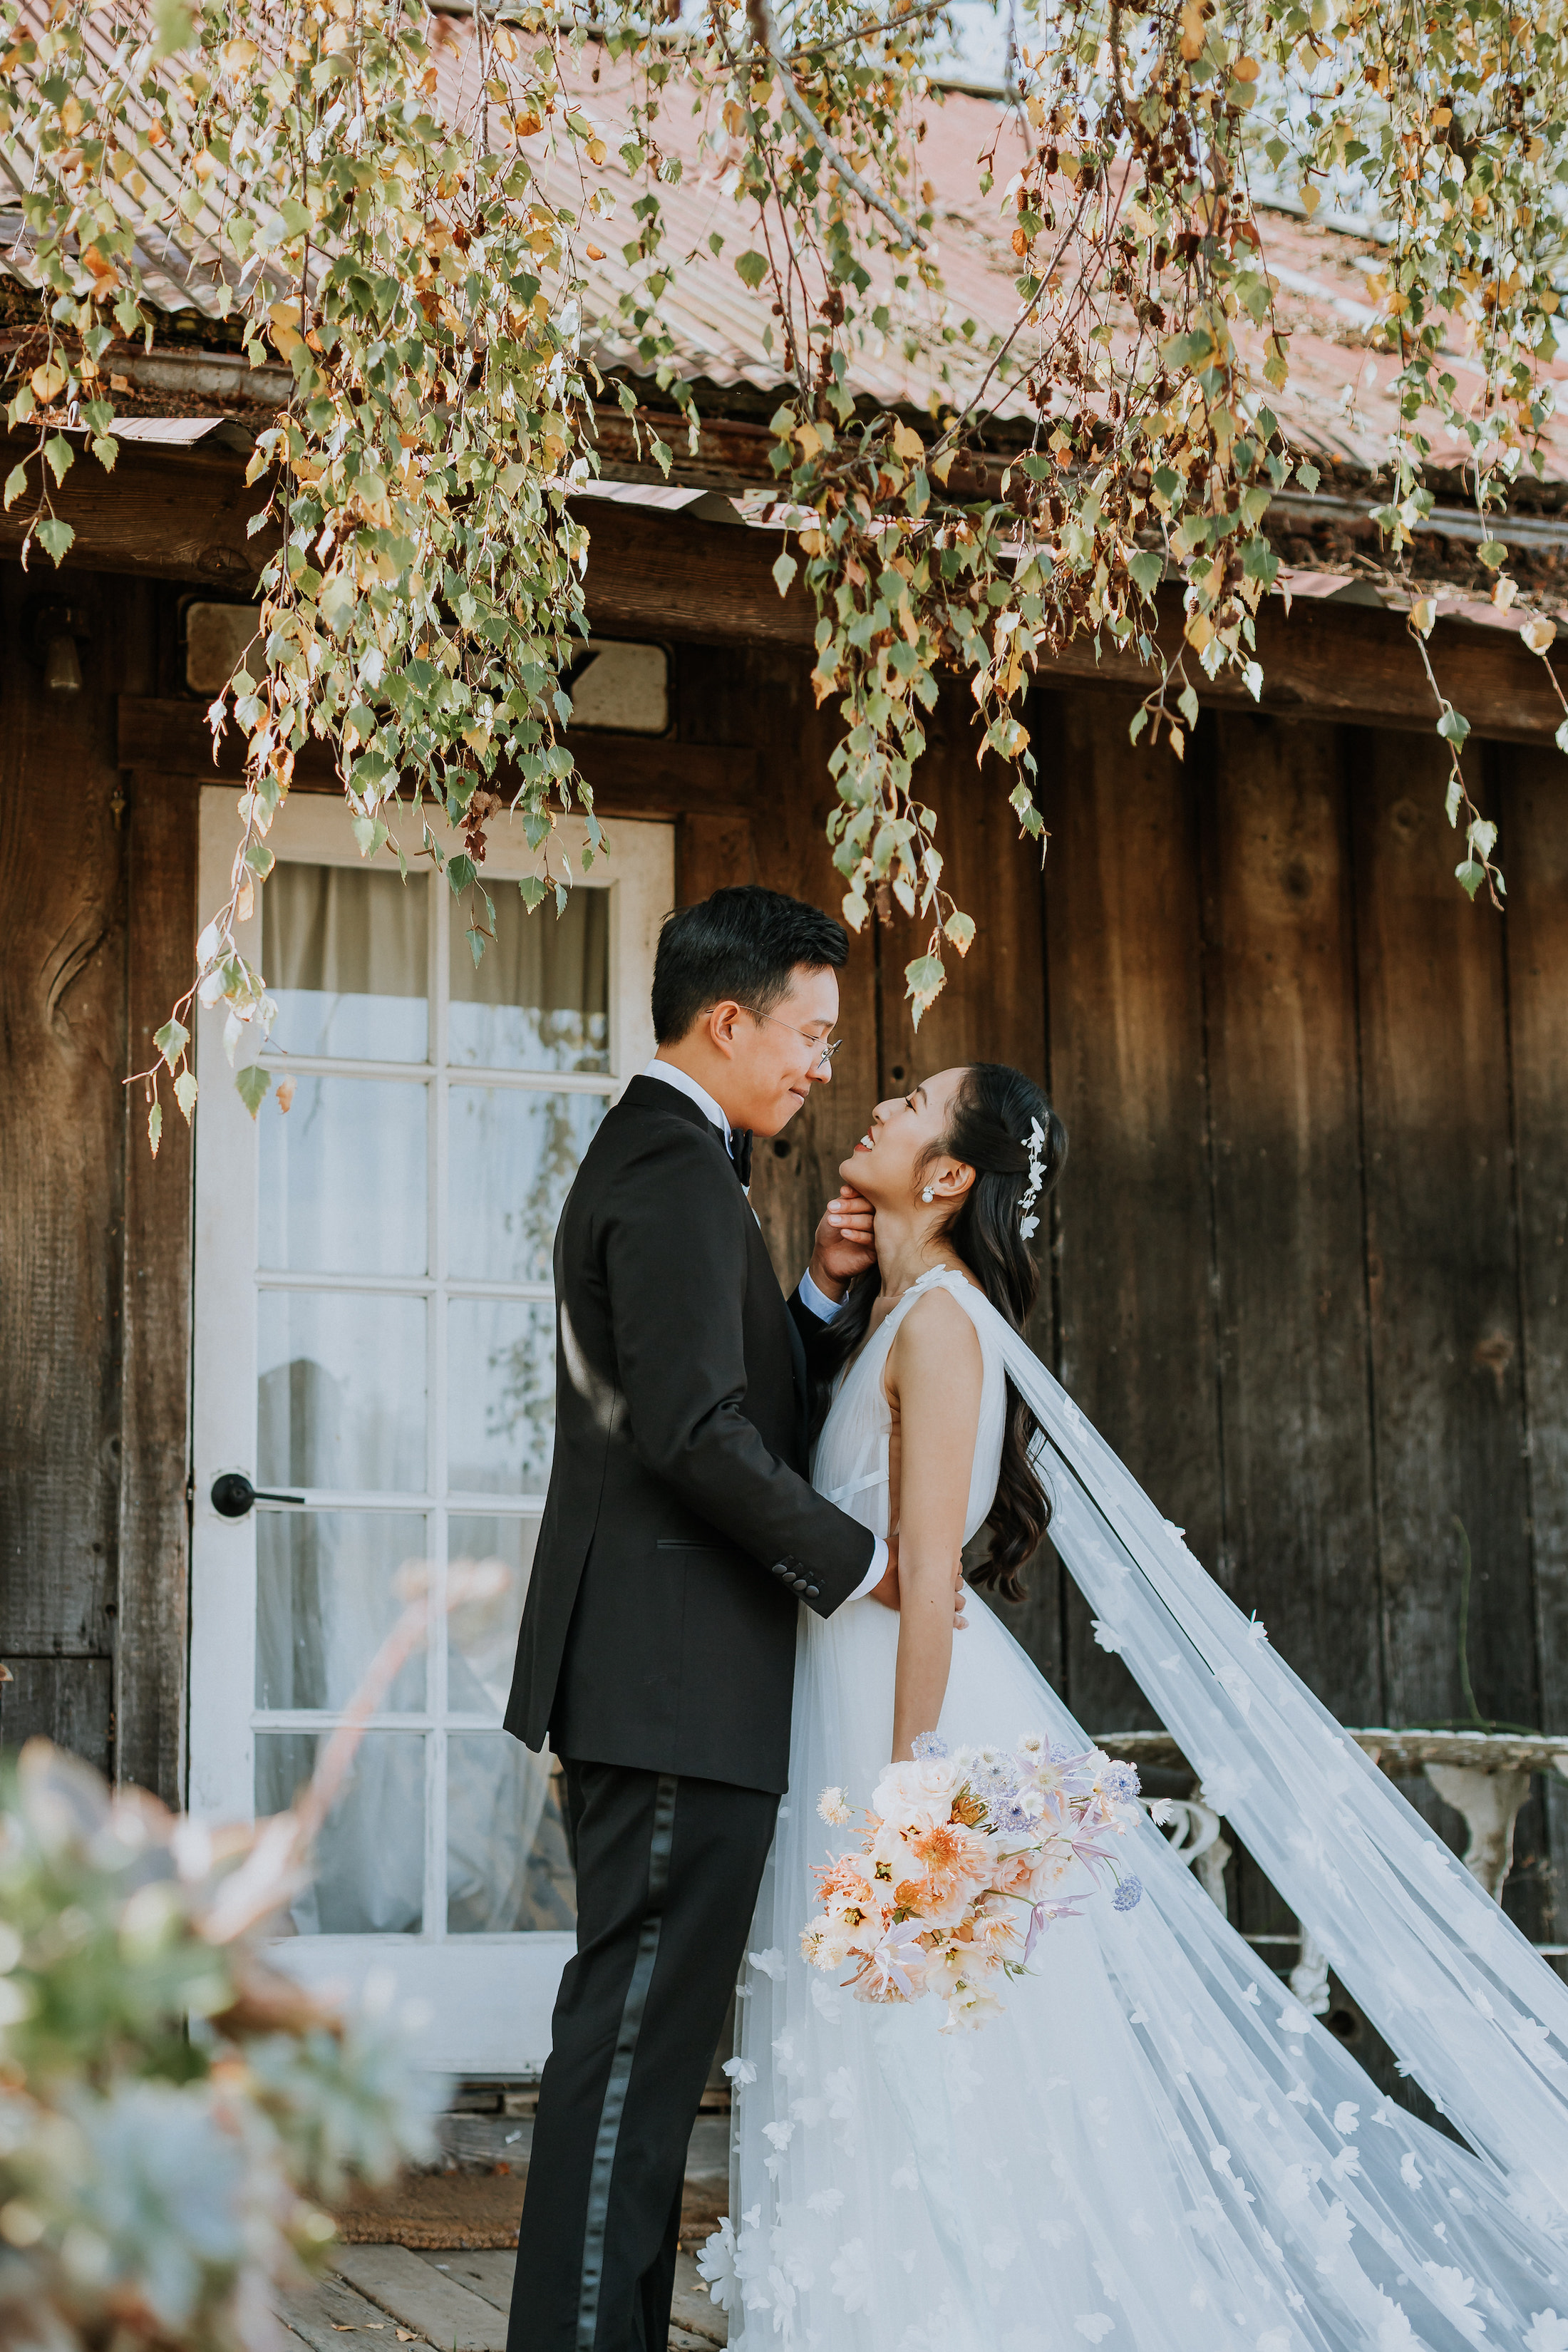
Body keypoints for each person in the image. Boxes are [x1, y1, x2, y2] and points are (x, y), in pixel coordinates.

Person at [703, 1061, 1568, 2352]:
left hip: (910, 1726)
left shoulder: (944, 1322)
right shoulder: (901, 1309)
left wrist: (905, 1800)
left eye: (910, 1102)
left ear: (947, 1176)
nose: (877, 1107)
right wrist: (835, 1284)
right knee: (891, 2043)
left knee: (942, 2047)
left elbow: (930, 1568)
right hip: (859, 1692)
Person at [501, 887, 964, 2352]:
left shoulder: (676, 1168)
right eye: (811, 1033)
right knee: (628, 2060)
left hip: (669, 1686)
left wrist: (818, 1304)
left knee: (638, 2064)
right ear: (727, 1021)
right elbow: (695, 1432)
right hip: (667, 1687)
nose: (825, 1064)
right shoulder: (674, 1175)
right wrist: (860, 1562)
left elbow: (717, 1391)